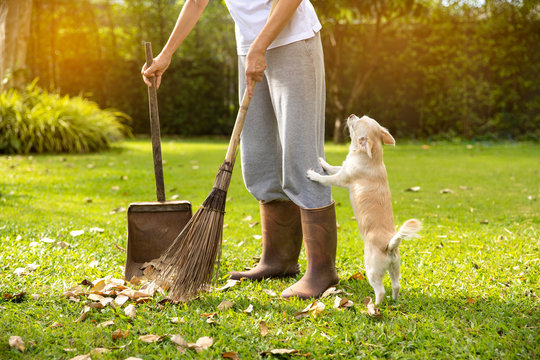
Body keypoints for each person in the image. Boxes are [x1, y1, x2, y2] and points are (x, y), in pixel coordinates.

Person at [142, 0, 338, 299]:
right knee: (259, 158)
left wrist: (260, 46)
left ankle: (322, 271)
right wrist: (165, 55)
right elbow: (196, 2)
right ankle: (278, 259)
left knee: (302, 157)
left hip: (293, 43)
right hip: (249, 48)